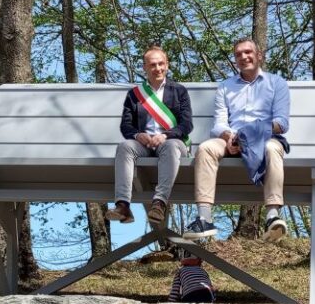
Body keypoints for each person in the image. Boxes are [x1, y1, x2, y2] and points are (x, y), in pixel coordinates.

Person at [185, 38, 290, 242]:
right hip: (231, 139)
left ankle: (272, 216)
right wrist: (229, 136)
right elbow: (219, 124)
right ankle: (204, 218)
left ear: (259, 55)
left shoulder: (276, 83)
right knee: (206, 147)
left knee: (272, 148)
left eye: (248, 52)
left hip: (264, 138)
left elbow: (281, 123)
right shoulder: (226, 86)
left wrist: (250, 135)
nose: (244, 57)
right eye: (238, 54)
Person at [105, 46, 193, 228]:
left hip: (172, 142)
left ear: (167, 65)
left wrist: (166, 135)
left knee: (170, 146)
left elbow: (186, 125)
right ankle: (123, 205)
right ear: (145, 67)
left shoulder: (179, 91)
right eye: (152, 65)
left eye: (161, 64)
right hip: (145, 145)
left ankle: (159, 203)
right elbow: (126, 126)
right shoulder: (135, 95)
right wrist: (138, 135)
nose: (158, 68)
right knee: (124, 146)